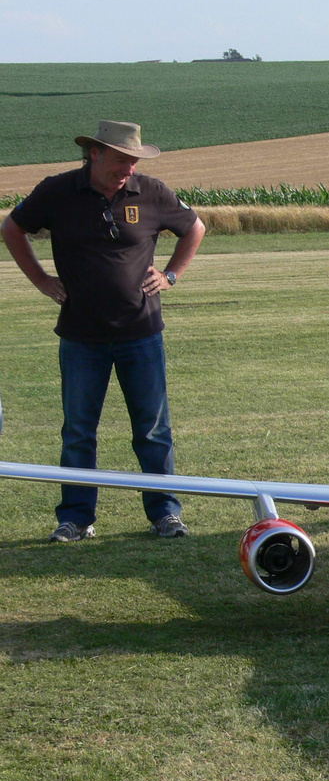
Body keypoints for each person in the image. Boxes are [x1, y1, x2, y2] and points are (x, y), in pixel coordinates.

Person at [1, 120, 206, 542]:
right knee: (78, 431)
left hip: (142, 332)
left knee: (152, 429)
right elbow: (12, 228)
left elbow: (195, 228)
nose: (127, 169)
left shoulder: (152, 192)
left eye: (132, 161)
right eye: (120, 161)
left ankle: (165, 514)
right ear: (94, 154)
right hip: (81, 336)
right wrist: (41, 280)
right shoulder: (57, 191)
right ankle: (76, 519)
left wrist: (170, 275)